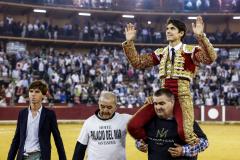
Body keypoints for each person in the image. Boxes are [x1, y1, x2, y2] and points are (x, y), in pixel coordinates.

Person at [122, 16, 217, 145]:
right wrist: (129, 42)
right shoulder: (161, 53)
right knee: (133, 125)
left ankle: (190, 151)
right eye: (167, 28)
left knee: (185, 133)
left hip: (181, 98)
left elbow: (210, 58)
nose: (168, 31)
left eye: (172, 28)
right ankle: (153, 144)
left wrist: (201, 36)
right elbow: (138, 62)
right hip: (162, 98)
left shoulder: (191, 51)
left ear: (181, 33)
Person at [128, 88, 208, 160]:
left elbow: (204, 142)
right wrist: (140, 145)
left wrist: (183, 150)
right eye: (155, 104)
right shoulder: (149, 120)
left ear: (172, 102)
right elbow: (140, 140)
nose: (158, 107)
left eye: (162, 103)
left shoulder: (185, 120)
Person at [8, 80, 66, 160]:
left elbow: (57, 139)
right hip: (22, 156)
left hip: (40, 156)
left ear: (43, 95)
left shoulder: (49, 115)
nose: (33, 94)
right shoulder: (22, 114)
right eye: (31, 91)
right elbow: (16, 139)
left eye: (37, 92)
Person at [72, 91, 132, 160]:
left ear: (116, 107)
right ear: (99, 104)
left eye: (109, 107)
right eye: (102, 106)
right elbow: (80, 149)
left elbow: (143, 121)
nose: (105, 110)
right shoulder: (89, 122)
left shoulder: (124, 119)